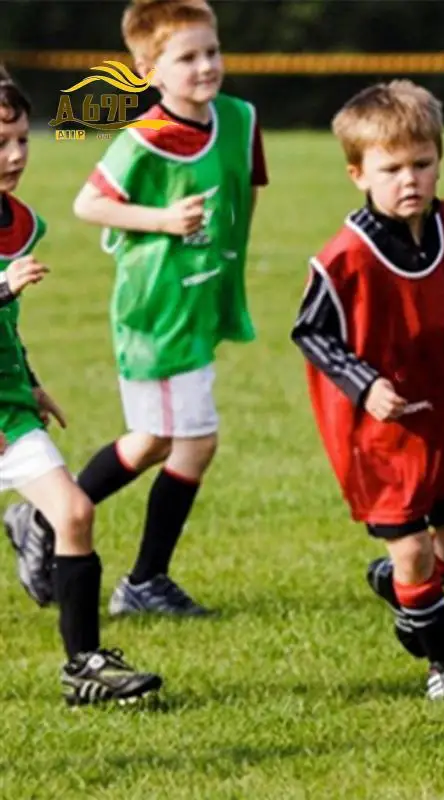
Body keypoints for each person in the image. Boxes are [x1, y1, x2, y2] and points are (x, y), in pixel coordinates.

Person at [4, 0, 268, 617]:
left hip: (201, 298)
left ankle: (57, 527)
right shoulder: (143, 137)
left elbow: (242, 193)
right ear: (148, 69)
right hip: (155, 309)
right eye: (187, 57)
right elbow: (90, 204)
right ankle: (131, 572)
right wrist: (163, 220)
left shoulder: (239, 118)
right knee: (185, 442)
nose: (205, 66)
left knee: (159, 442)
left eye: (212, 52)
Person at [291, 80, 444, 699]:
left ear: (440, 160)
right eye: (391, 169)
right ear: (358, 173)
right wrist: (365, 383)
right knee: (415, 553)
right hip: (380, 430)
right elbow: (310, 332)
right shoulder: (344, 257)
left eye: (422, 164)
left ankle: (403, 590)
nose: (409, 179)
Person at [0, 68, 162, 705]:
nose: (14, 156)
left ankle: (84, 665)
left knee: (73, 512)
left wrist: (30, 382)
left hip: (7, 411)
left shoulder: (17, 224)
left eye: (21, 140)